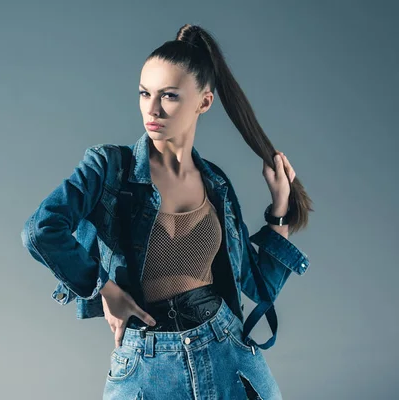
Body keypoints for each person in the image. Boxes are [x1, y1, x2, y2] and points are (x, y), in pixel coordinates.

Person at [21, 23, 312, 400]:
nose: (152, 109)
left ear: (203, 102)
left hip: (226, 350)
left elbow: (258, 287)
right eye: (145, 93)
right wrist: (104, 288)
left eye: (169, 96)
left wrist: (279, 210)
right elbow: (41, 229)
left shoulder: (216, 186)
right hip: (147, 361)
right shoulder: (109, 168)